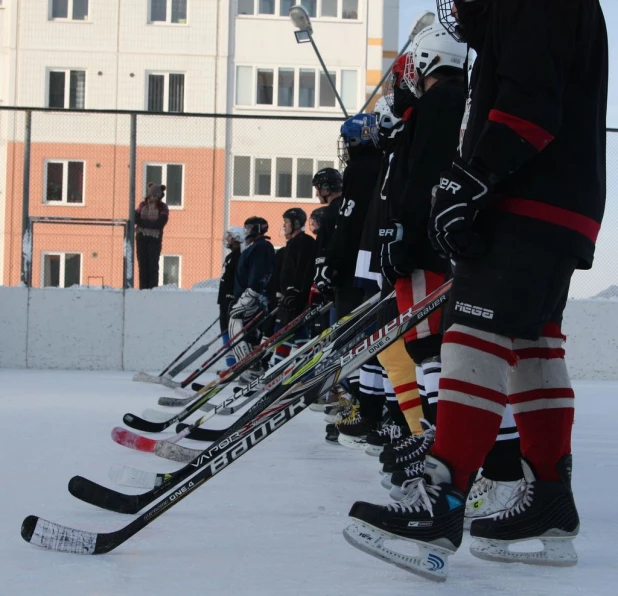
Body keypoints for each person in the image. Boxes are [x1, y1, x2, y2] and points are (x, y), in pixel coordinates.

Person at [345, 0, 608, 580]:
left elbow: (531, 104)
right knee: (536, 341)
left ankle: (442, 500)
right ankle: (550, 501)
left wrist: (472, 176)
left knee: (473, 332)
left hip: (526, 200)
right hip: (562, 203)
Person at [228, 216, 275, 380]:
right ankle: (251, 368)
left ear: (258, 228)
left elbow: (259, 274)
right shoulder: (253, 246)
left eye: (249, 227)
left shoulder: (262, 247)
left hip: (254, 298)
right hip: (246, 296)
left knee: (237, 327)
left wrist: (248, 297)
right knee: (248, 334)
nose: (246, 231)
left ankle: (251, 367)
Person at [271, 208, 316, 365]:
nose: (284, 226)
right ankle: (305, 368)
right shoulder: (290, 244)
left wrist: (297, 291)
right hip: (289, 298)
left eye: (287, 222)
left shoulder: (305, 242)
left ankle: (277, 368)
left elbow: (305, 269)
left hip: (297, 298)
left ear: (296, 223)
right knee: (292, 332)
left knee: (287, 332)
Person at [217, 226, 245, 369]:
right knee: (224, 330)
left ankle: (237, 363)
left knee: (233, 331)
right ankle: (230, 364)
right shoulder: (229, 257)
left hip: (231, 300)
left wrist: (233, 296)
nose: (228, 239)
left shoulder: (240, 256)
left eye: (230, 237)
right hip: (223, 300)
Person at [135, 183, 169, 289]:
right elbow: (136, 217)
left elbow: (160, 223)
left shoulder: (163, 207)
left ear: (159, 197)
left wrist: (143, 223)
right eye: (151, 195)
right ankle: (143, 289)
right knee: (142, 266)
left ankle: (152, 289)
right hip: (141, 238)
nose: (153, 198)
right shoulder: (142, 205)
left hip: (155, 240)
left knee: (153, 265)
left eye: (156, 196)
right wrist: (151, 225)